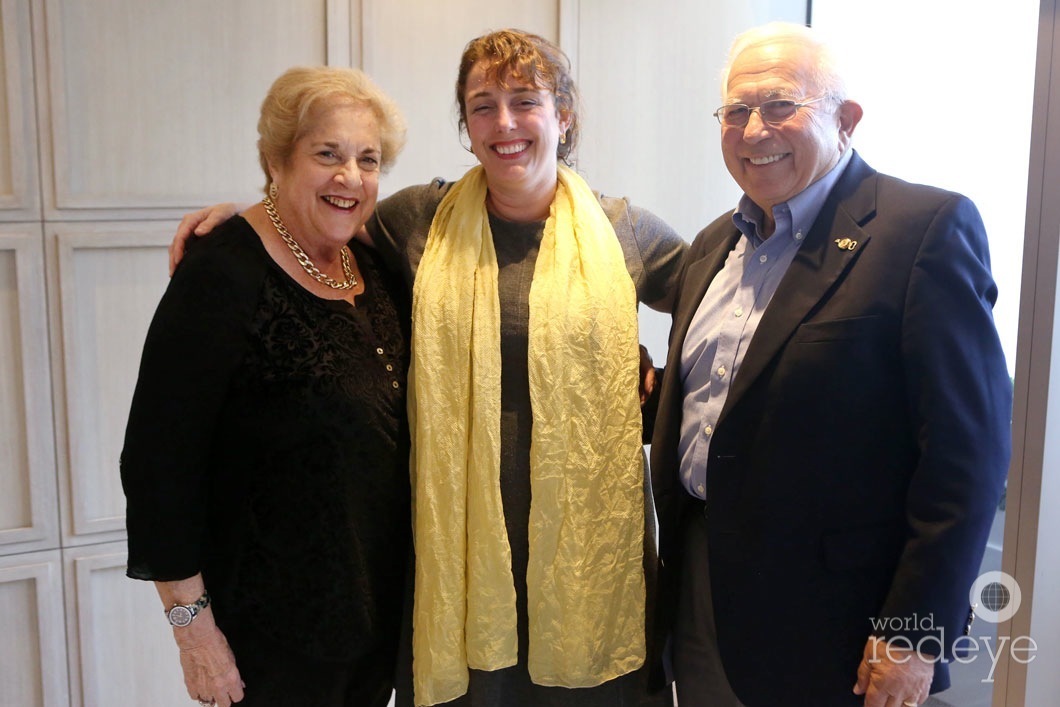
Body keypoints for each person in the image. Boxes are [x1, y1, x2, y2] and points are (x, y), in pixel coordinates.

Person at [171, 29, 686, 707]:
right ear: (466, 127)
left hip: (588, 564)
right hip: (458, 564)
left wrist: (656, 391)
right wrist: (244, 217)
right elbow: (324, 217)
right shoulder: (421, 219)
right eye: (483, 105)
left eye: (525, 101)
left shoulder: (627, 232)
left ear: (564, 116)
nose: (504, 123)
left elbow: (719, 313)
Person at [646, 22, 1012, 707]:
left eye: (781, 104)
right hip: (700, 591)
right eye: (735, 111)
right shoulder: (709, 249)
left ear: (846, 120)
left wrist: (914, 632)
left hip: (839, 626)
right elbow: (732, 405)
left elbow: (969, 456)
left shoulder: (922, 230)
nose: (754, 130)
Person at [121, 66, 411, 707]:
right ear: (275, 161)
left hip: (377, 632)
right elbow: (157, 464)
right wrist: (193, 636)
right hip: (269, 646)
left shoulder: (378, 266)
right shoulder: (222, 274)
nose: (350, 177)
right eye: (326, 154)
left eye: (368, 159)